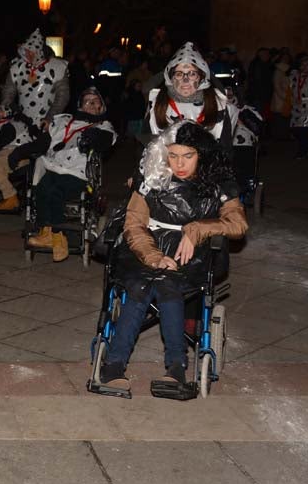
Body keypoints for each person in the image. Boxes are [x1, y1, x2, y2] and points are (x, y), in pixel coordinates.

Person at [95, 121, 248, 398]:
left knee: (168, 286)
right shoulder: (152, 178)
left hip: (192, 254)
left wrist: (199, 228)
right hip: (145, 247)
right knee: (139, 288)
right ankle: (114, 366)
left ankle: (176, 368)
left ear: (201, 155)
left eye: (188, 156)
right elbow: (133, 224)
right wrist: (153, 257)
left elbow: (237, 224)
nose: (179, 163)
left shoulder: (218, 184)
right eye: (173, 155)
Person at [15, 88, 116, 262]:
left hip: (78, 172)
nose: (91, 103)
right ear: (80, 106)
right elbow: (43, 143)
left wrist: (93, 138)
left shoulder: (103, 126)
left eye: (95, 100)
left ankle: (58, 236)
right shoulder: (64, 121)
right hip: (54, 167)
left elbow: (105, 142)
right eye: (87, 100)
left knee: (56, 193)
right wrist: (17, 153)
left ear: (101, 106)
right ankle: (45, 231)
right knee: (41, 190)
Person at [146, 42, 236, 144]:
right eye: (179, 74)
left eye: (192, 74)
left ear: (202, 78)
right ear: (170, 78)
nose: (185, 80)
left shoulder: (219, 105)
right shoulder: (157, 104)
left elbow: (225, 151)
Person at [1, 29, 70, 129]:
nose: (28, 54)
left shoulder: (57, 67)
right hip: (22, 122)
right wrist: (5, 109)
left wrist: (49, 118)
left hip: (48, 123)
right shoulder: (17, 68)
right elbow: (8, 93)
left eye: (31, 51)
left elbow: (62, 96)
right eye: (26, 51)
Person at [0, 106, 39, 211]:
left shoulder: (14, 124)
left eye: (1, 111)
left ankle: (11, 197)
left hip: (20, 153)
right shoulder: (1, 126)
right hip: (5, 151)